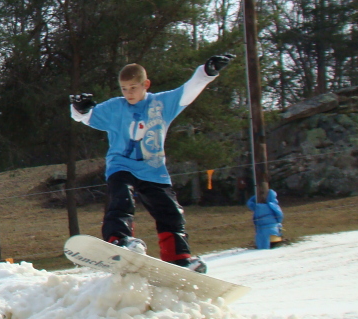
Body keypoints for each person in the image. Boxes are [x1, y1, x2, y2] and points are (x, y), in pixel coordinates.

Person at [70, 54, 235, 273]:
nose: (128, 93)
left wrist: (207, 71)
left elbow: (189, 89)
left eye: (133, 88)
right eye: (124, 89)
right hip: (122, 166)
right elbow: (85, 117)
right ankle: (119, 239)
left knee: (171, 212)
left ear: (146, 84)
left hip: (153, 170)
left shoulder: (162, 104)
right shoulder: (115, 107)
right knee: (121, 201)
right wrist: (80, 108)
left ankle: (178, 258)